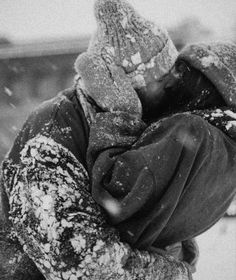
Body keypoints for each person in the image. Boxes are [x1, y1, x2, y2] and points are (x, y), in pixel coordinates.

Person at [1, 1, 236, 279]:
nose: (175, 85)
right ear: (123, 84)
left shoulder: (132, 120)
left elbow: (147, 212)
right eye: (163, 80)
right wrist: (173, 271)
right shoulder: (53, 130)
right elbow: (78, 261)